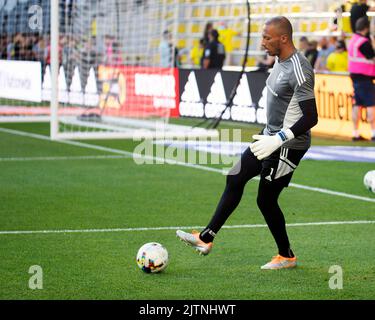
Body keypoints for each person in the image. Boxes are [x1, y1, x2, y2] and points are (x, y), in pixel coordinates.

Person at [176, 16, 318, 270]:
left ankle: (286, 255)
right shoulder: (279, 60)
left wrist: (280, 138)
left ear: (283, 38)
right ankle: (206, 237)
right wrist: (272, 135)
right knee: (235, 177)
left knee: (265, 199)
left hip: (288, 144)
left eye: (267, 38)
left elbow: (311, 117)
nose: (262, 42)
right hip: (269, 136)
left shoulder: (300, 68)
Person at [348, 17, 375, 141]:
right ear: (366, 28)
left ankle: (355, 133)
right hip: (365, 77)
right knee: (370, 104)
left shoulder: (353, 40)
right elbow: (372, 57)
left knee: (357, 104)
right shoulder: (364, 42)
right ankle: (373, 133)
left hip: (355, 76)